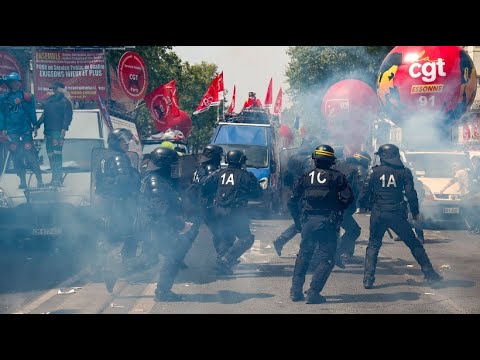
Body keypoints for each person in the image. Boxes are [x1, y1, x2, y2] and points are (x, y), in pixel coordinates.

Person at [357, 144, 443, 289]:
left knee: (373, 245)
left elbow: (364, 192)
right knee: (414, 244)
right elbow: (411, 194)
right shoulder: (404, 172)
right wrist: (415, 212)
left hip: (378, 213)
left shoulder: (374, 172)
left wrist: (365, 206)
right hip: (396, 213)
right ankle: (429, 274)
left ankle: (368, 279)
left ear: (384, 157)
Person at [288, 145, 354, 304]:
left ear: (314, 159)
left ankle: (295, 291)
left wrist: (298, 220)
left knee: (304, 255)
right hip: (328, 222)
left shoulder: (305, 176)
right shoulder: (337, 177)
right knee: (327, 258)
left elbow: (292, 200)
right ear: (332, 161)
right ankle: (313, 292)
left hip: (308, 222)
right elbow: (348, 199)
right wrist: (336, 210)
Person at [136, 147, 193, 301]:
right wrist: (181, 225)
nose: (175, 169)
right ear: (163, 165)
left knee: (155, 258)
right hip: (156, 227)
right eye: (173, 165)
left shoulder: (155, 179)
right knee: (173, 256)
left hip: (153, 226)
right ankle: (162, 292)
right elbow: (163, 212)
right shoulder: (156, 184)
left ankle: (115, 272)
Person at [94, 128, 141, 292]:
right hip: (120, 204)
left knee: (112, 237)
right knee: (132, 234)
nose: (126, 144)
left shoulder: (104, 157)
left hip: (106, 204)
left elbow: (100, 183)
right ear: (115, 142)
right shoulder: (119, 158)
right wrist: (136, 181)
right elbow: (124, 181)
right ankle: (118, 268)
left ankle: (107, 265)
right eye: (123, 141)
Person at [203, 149, 262, 275]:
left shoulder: (218, 173)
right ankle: (227, 259)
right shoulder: (246, 175)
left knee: (225, 237)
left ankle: (222, 266)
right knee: (246, 238)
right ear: (241, 160)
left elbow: (205, 187)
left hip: (218, 210)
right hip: (236, 212)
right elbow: (258, 193)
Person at [273, 135, 319, 256]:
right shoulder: (311, 160)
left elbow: (287, 175)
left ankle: (281, 240)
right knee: (309, 221)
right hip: (307, 193)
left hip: (296, 192)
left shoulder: (294, 157)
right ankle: (307, 252)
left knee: (302, 221)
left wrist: (288, 189)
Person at [0, 72, 43, 188]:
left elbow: (31, 111)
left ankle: (40, 180)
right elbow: (2, 115)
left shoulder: (27, 96)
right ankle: (22, 181)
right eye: (12, 82)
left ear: (19, 83)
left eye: (17, 82)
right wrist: (2, 129)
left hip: (25, 131)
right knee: (16, 157)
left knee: (31, 156)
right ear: (9, 84)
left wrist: (35, 124)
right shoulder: (3, 98)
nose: (15, 84)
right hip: (12, 132)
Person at [183, 144, 224, 264]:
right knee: (219, 233)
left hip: (195, 204)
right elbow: (205, 184)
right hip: (206, 205)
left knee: (190, 232)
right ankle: (221, 259)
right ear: (214, 156)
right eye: (219, 156)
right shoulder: (211, 168)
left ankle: (178, 257)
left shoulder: (200, 167)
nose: (221, 158)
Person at [334, 150, 372, 261]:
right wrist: (367, 203)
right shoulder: (359, 169)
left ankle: (347, 252)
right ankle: (336, 252)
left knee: (337, 230)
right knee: (354, 230)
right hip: (343, 206)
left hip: (335, 204)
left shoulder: (341, 166)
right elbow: (363, 189)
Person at [37, 82, 73, 186]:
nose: (54, 90)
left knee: (57, 156)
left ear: (61, 89)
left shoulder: (66, 101)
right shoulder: (49, 100)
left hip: (58, 132)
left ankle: (58, 179)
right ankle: (54, 179)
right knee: (51, 156)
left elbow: (68, 117)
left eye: (56, 89)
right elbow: (44, 114)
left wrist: (64, 129)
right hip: (48, 132)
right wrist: (37, 124)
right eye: (53, 89)